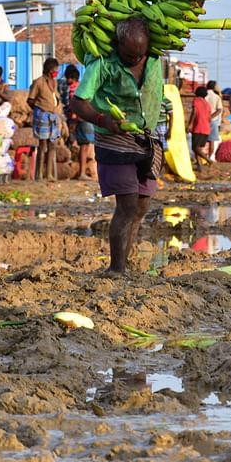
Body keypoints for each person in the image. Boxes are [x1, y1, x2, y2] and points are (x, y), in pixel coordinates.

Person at [68, 16, 165, 273]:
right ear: (117, 44)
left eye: (139, 56)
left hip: (148, 138)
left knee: (142, 205)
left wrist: (195, 0)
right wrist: (102, 118)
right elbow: (78, 103)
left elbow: (187, 26)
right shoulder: (101, 64)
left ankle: (125, 260)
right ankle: (116, 267)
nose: (134, 60)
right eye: (128, 54)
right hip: (114, 138)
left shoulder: (155, 57)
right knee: (128, 204)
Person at [27, 57, 62, 181]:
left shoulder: (54, 82)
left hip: (53, 116)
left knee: (52, 145)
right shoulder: (38, 82)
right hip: (42, 115)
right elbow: (30, 100)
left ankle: (49, 174)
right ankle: (39, 174)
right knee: (43, 145)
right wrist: (38, 109)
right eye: (55, 69)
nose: (56, 71)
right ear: (49, 69)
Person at [61, 65, 95, 180]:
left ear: (71, 78)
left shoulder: (73, 88)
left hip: (79, 119)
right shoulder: (79, 87)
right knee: (84, 145)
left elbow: (73, 106)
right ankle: (81, 173)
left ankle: (80, 172)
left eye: (67, 78)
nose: (66, 80)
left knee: (83, 145)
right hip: (83, 119)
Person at [188, 86, 212, 171]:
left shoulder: (196, 100)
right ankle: (199, 165)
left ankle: (209, 161)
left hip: (198, 127)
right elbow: (209, 118)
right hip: (206, 128)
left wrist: (190, 124)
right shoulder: (207, 104)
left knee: (195, 148)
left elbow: (194, 112)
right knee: (198, 148)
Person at [204, 80, 224, 161]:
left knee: (201, 140)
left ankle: (201, 157)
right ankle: (210, 158)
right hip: (213, 121)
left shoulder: (204, 96)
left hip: (203, 120)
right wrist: (211, 117)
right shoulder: (217, 97)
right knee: (211, 141)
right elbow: (219, 110)